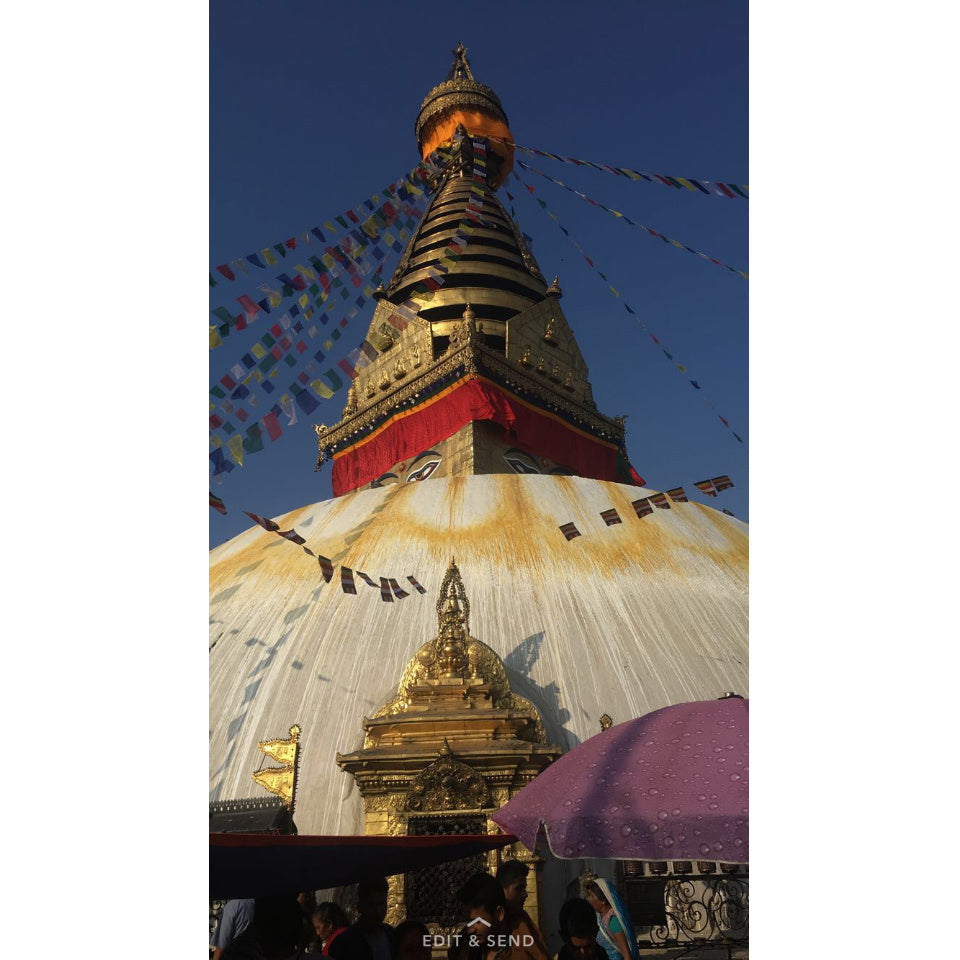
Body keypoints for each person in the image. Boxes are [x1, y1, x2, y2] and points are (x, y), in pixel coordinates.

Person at [456, 872, 539, 960]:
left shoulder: (521, 952)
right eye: (468, 921)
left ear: (499, 913)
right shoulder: (465, 947)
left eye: (478, 921)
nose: (470, 930)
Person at [495, 861, 549, 960]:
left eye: (524, 888)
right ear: (501, 890)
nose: (525, 894)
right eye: (519, 888)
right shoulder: (489, 926)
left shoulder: (521, 921)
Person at [336, 878, 394, 960]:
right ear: (360, 905)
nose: (378, 911)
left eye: (382, 904)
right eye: (371, 905)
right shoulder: (347, 941)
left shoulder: (390, 934)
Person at [583, 881, 639, 960]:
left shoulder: (613, 921)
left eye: (591, 896)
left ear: (603, 901)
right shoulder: (599, 917)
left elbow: (626, 954)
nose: (589, 899)